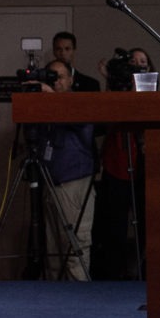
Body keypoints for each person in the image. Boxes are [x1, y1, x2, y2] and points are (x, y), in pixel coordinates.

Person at [92, 48, 154, 280]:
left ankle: (143, 271)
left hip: (144, 166)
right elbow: (106, 119)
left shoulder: (152, 91)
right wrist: (111, 81)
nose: (138, 66)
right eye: (133, 62)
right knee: (114, 226)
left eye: (143, 62)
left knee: (145, 224)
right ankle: (114, 276)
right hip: (116, 164)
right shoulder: (116, 89)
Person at [30, 60, 94, 281]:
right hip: (50, 183)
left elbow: (80, 119)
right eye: (51, 76)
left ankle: (81, 304)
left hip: (73, 183)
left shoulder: (79, 102)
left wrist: (52, 98)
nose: (56, 81)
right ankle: (56, 306)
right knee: (53, 253)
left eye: (60, 76)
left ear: (71, 80)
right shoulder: (43, 105)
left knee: (75, 249)